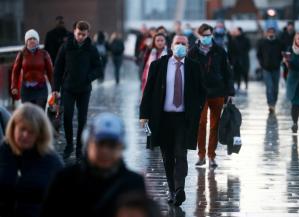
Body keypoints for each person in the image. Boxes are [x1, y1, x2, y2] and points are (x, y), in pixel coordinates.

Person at [41, 113, 147, 217]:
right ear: (88, 144)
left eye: (112, 145)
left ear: (121, 147)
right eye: (100, 143)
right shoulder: (65, 179)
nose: (105, 151)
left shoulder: (133, 184)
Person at [140, 35, 204, 206]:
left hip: (184, 119)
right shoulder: (158, 65)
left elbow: (201, 91)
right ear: (171, 46)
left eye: (184, 44)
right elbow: (148, 91)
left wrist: (197, 110)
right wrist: (143, 114)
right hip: (162, 118)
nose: (180, 46)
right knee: (167, 157)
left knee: (180, 153)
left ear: (188, 47)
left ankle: (179, 189)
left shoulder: (194, 67)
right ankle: (171, 189)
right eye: (178, 43)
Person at [0, 103, 63, 217]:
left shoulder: (52, 161)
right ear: (14, 127)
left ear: (40, 134)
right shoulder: (3, 151)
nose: (25, 135)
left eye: (31, 131)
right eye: (22, 129)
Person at [53, 20, 102, 159]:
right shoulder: (65, 47)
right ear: (74, 31)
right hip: (68, 88)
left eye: (84, 35)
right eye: (79, 34)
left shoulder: (91, 49)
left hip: (84, 89)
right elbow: (57, 69)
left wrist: (88, 77)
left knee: (82, 119)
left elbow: (99, 68)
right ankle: (69, 145)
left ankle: (80, 148)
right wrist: (56, 88)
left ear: (87, 34)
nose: (81, 37)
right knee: (67, 117)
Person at [188, 23, 235, 168]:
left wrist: (230, 92)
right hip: (199, 93)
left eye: (209, 35)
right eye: (204, 35)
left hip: (217, 91)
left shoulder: (219, 51)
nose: (207, 38)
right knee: (201, 124)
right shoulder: (193, 52)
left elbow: (227, 72)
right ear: (199, 36)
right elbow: (188, 74)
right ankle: (201, 155)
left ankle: (212, 156)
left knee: (215, 125)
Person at [11, 29, 53, 110]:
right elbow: (15, 71)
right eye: (30, 39)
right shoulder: (21, 54)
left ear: (38, 41)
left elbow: (50, 72)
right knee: (28, 114)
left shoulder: (44, 54)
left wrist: (55, 88)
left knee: (39, 113)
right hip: (26, 90)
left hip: (41, 89)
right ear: (26, 41)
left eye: (34, 39)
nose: (32, 41)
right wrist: (14, 86)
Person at [257, 27, 285, 113]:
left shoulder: (279, 43)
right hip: (266, 69)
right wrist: (262, 64)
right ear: (266, 33)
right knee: (269, 87)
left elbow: (282, 54)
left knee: (275, 88)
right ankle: (270, 104)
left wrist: (280, 62)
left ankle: (274, 103)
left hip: (276, 68)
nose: (271, 34)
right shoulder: (262, 42)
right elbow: (259, 54)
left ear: (275, 33)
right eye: (269, 32)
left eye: (272, 32)